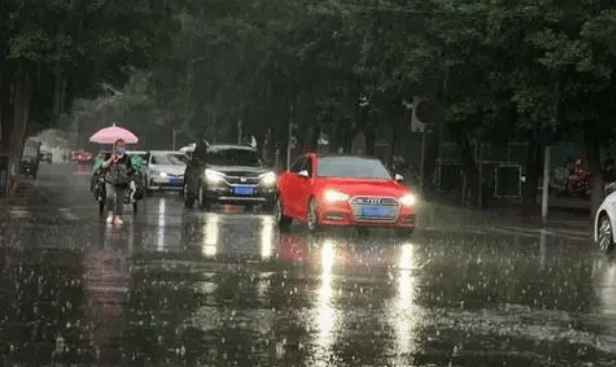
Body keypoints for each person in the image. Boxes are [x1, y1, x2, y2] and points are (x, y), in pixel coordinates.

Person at [99, 139, 131, 224]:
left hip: (121, 181)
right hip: (110, 180)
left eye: (122, 146)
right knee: (110, 196)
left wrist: (127, 175)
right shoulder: (109, 155)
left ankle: (118, 217)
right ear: (115, 146)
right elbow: (103, 166)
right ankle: (110, 215)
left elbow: (130, 169)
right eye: (119, 145)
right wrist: (111, 159)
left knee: (120, 199)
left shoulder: (126, 157)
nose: (120, 147)